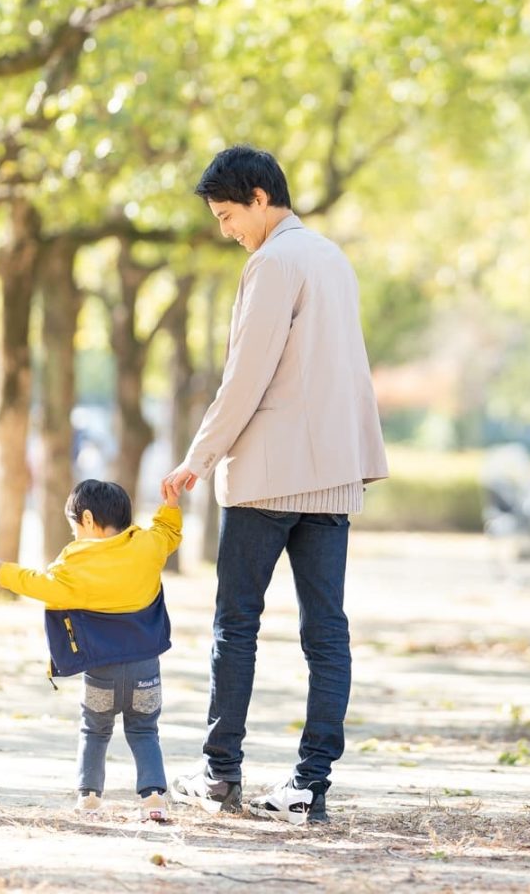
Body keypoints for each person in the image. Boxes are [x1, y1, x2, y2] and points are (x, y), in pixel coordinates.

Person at [160, 146, 389, 826]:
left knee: (236, 626)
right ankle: (310, 784)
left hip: (266, 480)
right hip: (332, 480)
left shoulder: (273, 263)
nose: (226, 230)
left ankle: (220, 772)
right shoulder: (330, 257)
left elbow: (246, 377)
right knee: (327, 633)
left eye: (229, 215)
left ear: (261, 197)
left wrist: (198, 458)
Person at [0, 479, 183, 822]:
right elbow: (167, 532)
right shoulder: (148, 546)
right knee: (145, 730)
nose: (74, 534)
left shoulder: (75, 562)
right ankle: (154, 799)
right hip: (146, 669)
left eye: (74, 526)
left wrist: (4, 571)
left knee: (94, 730)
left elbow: (43, 585)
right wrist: (171, 505)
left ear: (87, 519)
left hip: (101, 670)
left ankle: (88, 797)